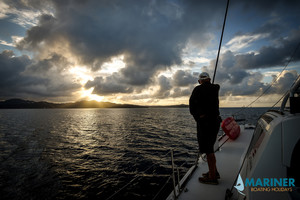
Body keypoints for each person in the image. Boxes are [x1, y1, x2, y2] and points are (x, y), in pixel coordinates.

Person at [189, 72, 221, 185]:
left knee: (208, 150)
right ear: (209, 79)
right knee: (210, 148)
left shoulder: (197, 90)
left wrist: (199, 118)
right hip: (216, 122)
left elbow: (192, 108)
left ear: (200, 81)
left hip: (206, 124)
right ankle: (214, 172)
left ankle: (212, 178)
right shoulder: (215, 88)